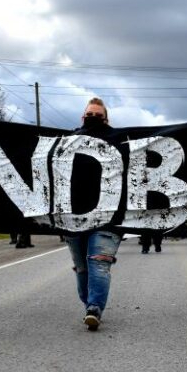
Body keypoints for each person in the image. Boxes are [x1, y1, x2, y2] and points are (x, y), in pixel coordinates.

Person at [63, 98, 123, 331]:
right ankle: (89, 302)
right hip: (73, 216)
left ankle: (94, 308)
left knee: (98, 264)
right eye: (90, 114)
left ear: (106, 118)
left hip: (108, 216)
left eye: (98, 115)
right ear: (82, 117)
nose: (93, 118)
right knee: (82, 268)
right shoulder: (67, 141)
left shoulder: (118, 140)